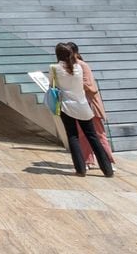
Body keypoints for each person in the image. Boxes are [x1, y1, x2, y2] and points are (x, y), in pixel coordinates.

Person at [49, 43, 113, 178]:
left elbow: (51, 85)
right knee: (93, 136)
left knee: (73, 137)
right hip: (83, 105)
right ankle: (107, 169)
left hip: (66, 106)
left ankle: (80, 169)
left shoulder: (54, 68)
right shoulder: (79, 67)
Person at [66, 42, 113, 170]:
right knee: (81, 134)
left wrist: (72, 85)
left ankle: (107, 160)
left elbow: (90, 86)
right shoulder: (68, 66)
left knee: (98, 134)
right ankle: (87, 160)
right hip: (77, 104)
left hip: (90, 104)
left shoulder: (82, 65)